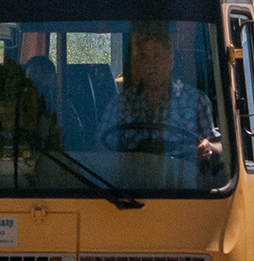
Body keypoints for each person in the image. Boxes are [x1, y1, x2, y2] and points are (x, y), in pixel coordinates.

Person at [96, 22, 224, 186]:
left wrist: (208, 148)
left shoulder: (196, 101)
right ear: (138, 64)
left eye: (158, 56)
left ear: (170, 61)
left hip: (184, 193)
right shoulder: (120, 103)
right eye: (144, 58)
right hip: (127, 190)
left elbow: (219, 146)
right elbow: (100, 147)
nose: (152, 65)